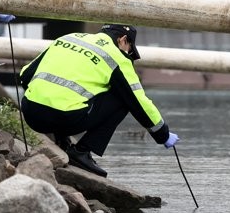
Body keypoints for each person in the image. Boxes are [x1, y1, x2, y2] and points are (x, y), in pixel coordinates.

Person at [19, 24, 179, 177]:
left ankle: (61, 139)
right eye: (129, 50)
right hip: (65, 119)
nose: (128, 53)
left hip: (30, 114)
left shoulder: (68, 38)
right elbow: (139, 101)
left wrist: (40, 100)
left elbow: (25, 75)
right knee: (124, 97)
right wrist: (162, 134)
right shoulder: (116, 57)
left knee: (70, 97)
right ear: (123, 40)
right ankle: (81, 152)